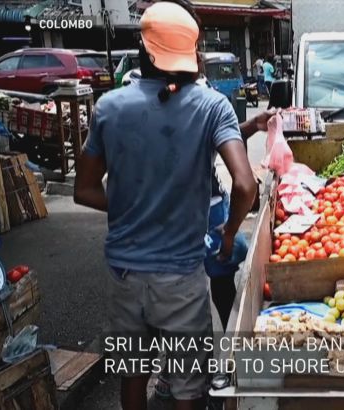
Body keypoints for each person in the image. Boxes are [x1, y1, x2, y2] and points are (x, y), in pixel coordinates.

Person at [74, 1, 271, 408]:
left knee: (132, 373)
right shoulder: (211, 106)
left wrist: (135, 206)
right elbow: (245, 184)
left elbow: (84, 190)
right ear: (191, 53)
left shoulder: (109, 107)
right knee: (188, 386)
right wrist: (229, 232)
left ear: (144, 50)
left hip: (124, 273)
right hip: (180, 278)